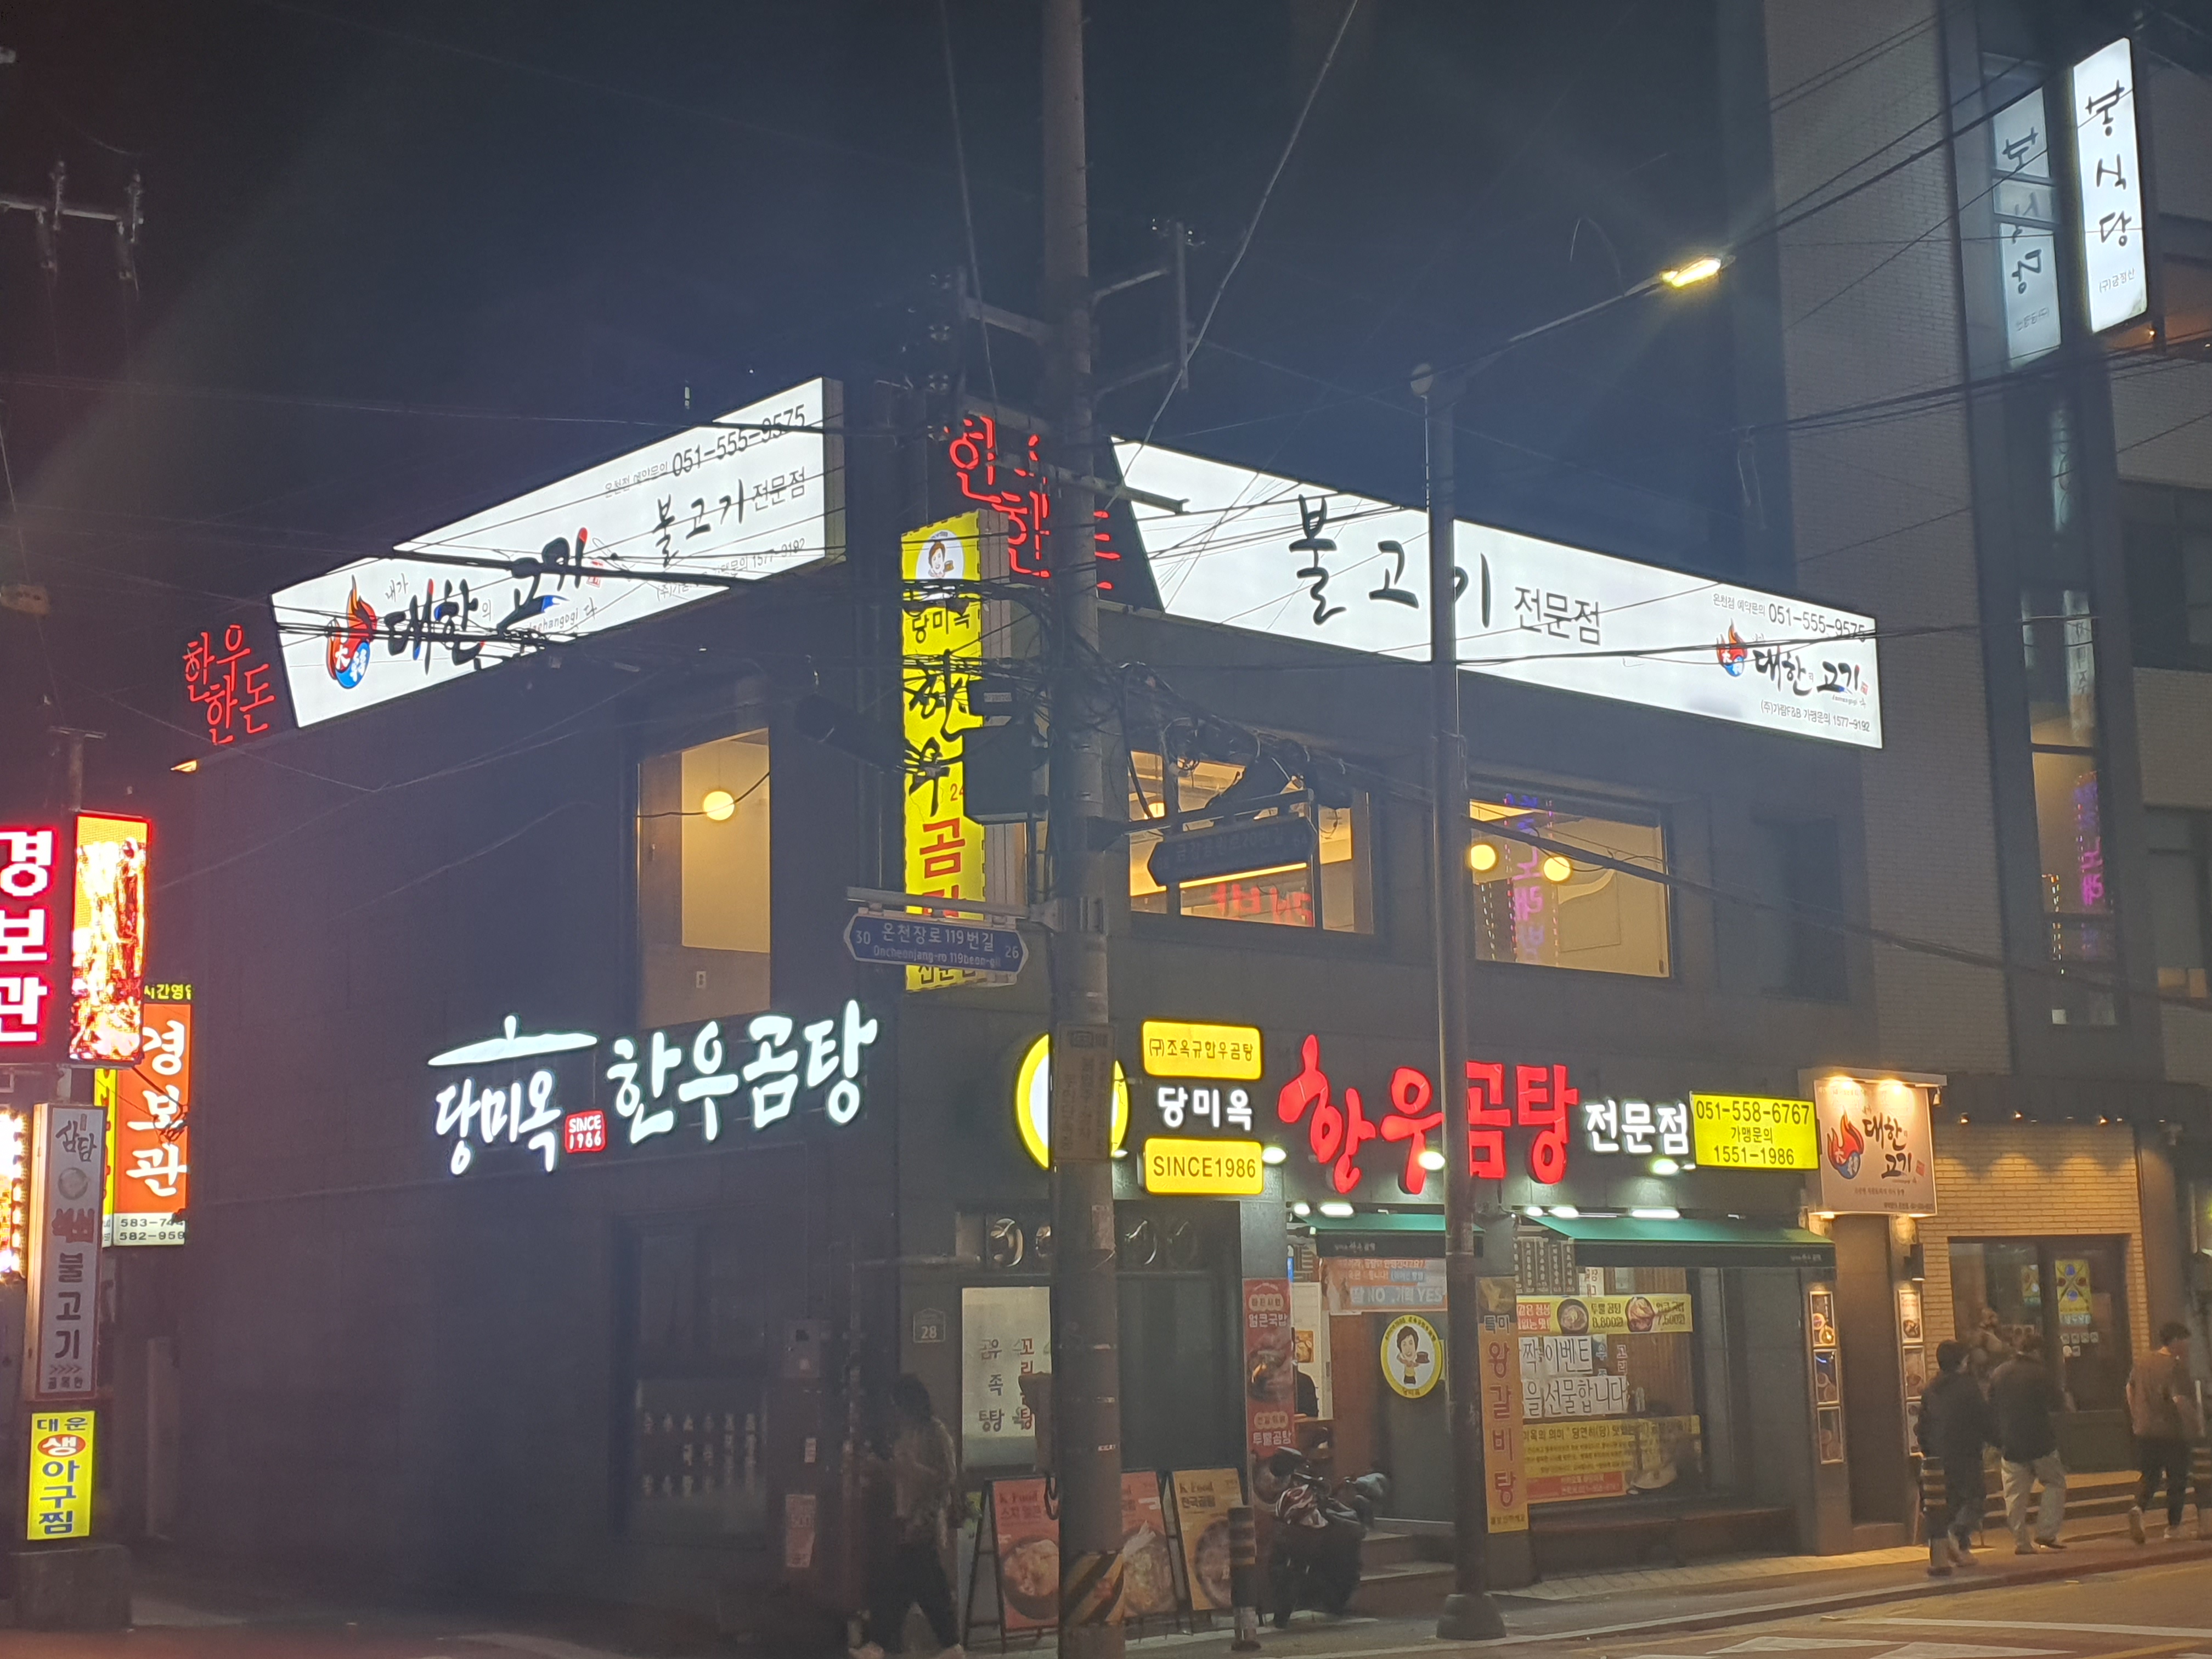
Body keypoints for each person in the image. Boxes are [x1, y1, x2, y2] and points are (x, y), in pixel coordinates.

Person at [856, 1375, 962, 1659]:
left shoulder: (936, 1433)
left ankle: (882, 1644)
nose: (895, 1411)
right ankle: (947, 1643)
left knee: (913, 1584)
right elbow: (901, 1474)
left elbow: (946, 1477)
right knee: (915, 1584)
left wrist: (914, 1470)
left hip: (925, 1518)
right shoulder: (904, 1433)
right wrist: (882, 1469)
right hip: (905, 1516)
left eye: (898, 1404)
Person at [1916, 1339, 1994, 1575]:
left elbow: (1922, 1425)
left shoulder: (1931, 1389)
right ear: (1962, 1361)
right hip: (1966, 1452)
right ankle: (1956, 1536)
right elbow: (1983, 1418)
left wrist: (1929, 1451)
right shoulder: (1968, 1387)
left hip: (1938, 1457)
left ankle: (1958, 1550)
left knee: (1948, 1502)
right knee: (1974, 1498)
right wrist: (1996, 1440)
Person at [1990, 1330, 2068, 1553]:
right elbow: (2057, 1403)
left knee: (2014, 1495)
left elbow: (1991, 1405)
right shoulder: (2041, 1374)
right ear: (2036, 1351)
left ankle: (2021, 1541)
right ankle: (2046, 1532)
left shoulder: (1999, 1373)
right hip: (2041, 1442)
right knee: (2055, 1483)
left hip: (2011, 1443)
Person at [2126, 1321, 2203, 1544]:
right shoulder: (2175, 1367)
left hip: (2145, 1430)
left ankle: (2138, 1507)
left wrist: (2137, 1416)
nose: (2187, 1347)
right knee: (2177, 1479)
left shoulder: (2142, 1362)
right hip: (2172, 1432)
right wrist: (2197, 1423)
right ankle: (2174, 1527)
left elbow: (2129, 1389)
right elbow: (2179, 1400)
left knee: (2150, 1475)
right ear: (2176, 1341)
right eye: (2186, 1342)